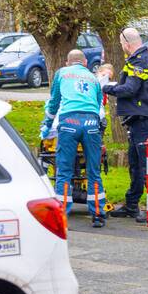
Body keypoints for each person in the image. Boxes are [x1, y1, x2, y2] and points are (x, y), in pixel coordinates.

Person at [101, 27, 148, 222]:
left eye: (122, 44)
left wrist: (105, 87)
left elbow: (130, 89)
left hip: (145, 119)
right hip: (141, 118)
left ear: (127, 44)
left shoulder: (139, 62)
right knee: (136, 164)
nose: (122, 47)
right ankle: (131, 205)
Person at [41, 49, 106, 228]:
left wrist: (47, 125)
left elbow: (54, 103)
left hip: (69, 122)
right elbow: (99, 105)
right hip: (91, 122)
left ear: (67, 63)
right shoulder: (93, 78)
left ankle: (61, 215)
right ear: (85, 63)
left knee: (64, 172)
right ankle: (98, 215)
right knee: (94, 171)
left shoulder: (61, 73)